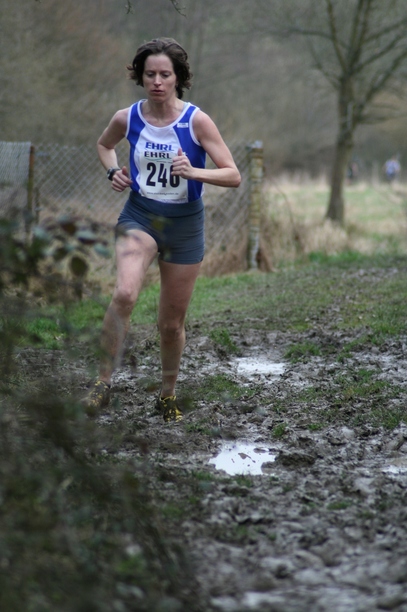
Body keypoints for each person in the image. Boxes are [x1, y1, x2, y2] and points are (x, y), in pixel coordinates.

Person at [82, 37, 241, 422]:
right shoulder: (127, 117)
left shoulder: (196, 121)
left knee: (170, 325)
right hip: (140, 216)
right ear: (140, 76)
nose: (156, 81)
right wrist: (112, 171)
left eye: (164, 75)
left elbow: (233, 174)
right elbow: (104, 145)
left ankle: (167, 395)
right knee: (124, 293)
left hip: (185, 224)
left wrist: (194, 171)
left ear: (178, 78)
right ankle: (102, 383)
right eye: (150, 74)